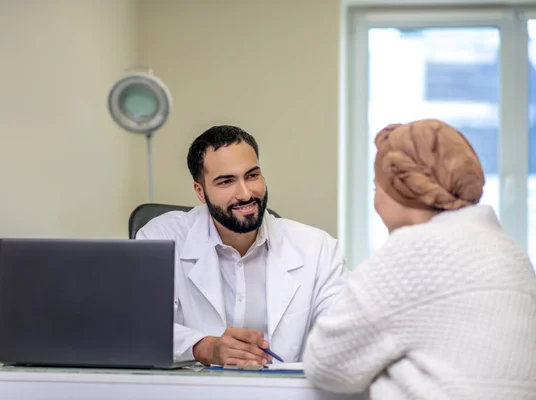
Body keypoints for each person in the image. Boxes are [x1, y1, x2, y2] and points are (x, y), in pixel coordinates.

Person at [303, 119, 536, 399]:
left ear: (402, 187)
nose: (376, 202)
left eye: (377, 187)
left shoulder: (415, 250)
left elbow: (325, 364)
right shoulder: (510, 253)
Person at [136, 125, 348, 366]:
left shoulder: (317, 248)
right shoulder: (162, 239)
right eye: (226, 181)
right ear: (200, 192)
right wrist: (206, 347)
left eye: (252, 175)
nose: (245, 193)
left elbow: (345, 335)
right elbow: (136, 325)